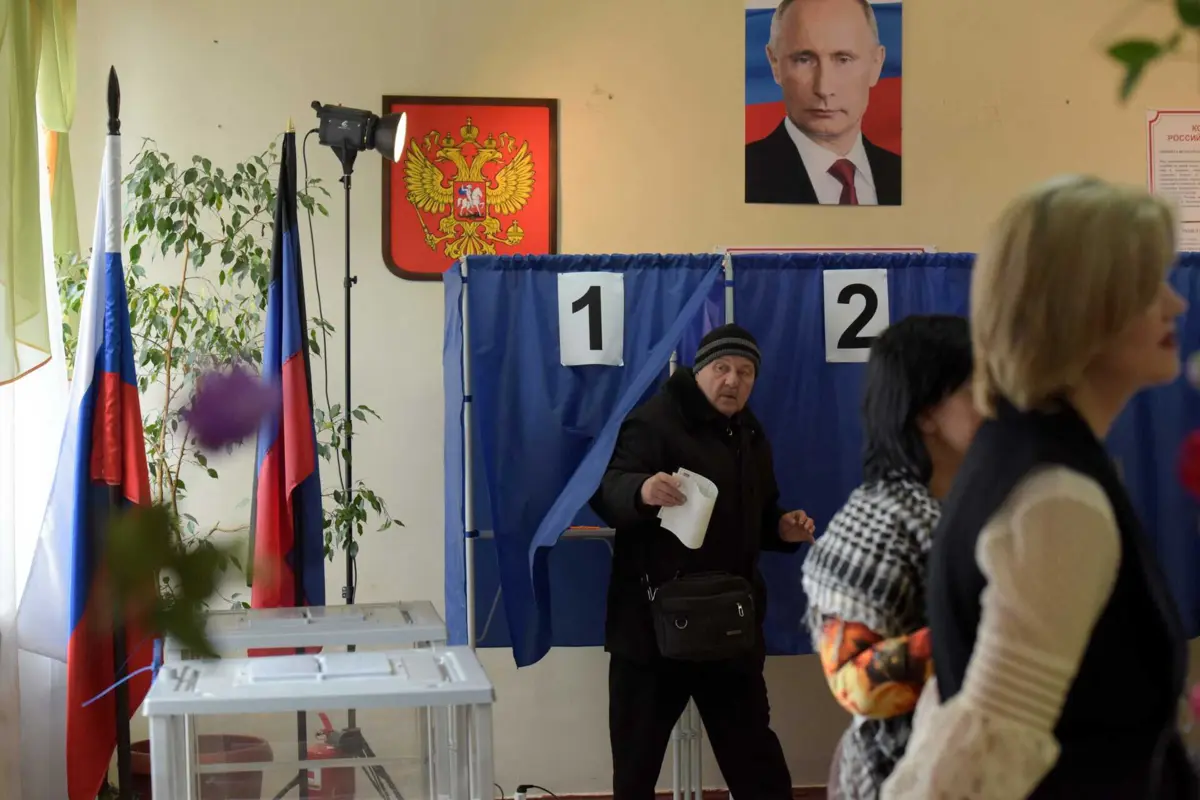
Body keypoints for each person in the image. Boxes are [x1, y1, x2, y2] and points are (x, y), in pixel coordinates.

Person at [882, 176, 1199, 798]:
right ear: (1080, 307)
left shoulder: (1021, 454)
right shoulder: (1055, 496)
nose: (1175, 305)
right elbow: (979, 763)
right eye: (1146, 288)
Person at [590, 323, 814, 800]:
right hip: (650, 631)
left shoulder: (751, 434)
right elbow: (606, 487)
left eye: (745, 372)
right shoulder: (652, 422)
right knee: (635, 767)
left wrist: (781, 528)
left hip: (728, 626)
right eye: (722, 368)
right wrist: (642, 490)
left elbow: (758, 514)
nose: (733, 381)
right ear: (698, 371)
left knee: (756, 762)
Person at [801, 315, 979, 799]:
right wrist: (1000, 628)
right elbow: (856, 681)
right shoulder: (882, 519)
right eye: (975, 389)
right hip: (900, 776)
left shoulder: (960, 504)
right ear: (925, 413)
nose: (994, 405)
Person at [745, 0, 901, 206]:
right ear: (774, 64)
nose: (824, 88)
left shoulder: (906, 176)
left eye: (843, 59)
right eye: (804, 59)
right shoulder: (739, 175)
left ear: (876, 64)